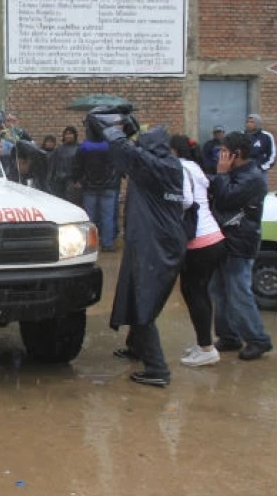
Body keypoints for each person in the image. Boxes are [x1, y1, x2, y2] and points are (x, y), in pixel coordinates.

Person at [99, 113, 186, 387]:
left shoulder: (163, 168)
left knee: (144, 302)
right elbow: (131, 157)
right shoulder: (160, 166)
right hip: (150, 242)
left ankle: (158, 369)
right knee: (135, 293)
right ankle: (137, 347)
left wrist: (113, 131)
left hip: (157, 245)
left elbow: (132, 155)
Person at [208, 132, 273, 360]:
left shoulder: (253, 178)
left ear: (236, 154)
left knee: (238, 292)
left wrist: (221, 175)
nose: (220, 156)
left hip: (240, 243)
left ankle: (258, 339)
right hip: (223, 240)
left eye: (224, 152)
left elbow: (225, 198)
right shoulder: (235, 174)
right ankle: (228, 336)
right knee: (218, 290)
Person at [170, 135, 226, 367]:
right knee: (199, 293)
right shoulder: (194, 166)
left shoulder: (180, 168)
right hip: (212, 237)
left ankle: (207, 349)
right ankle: (204, 341)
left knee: (194, 293)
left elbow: (185, 201)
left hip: (199, 241)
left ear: (173, 151)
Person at [75, 122, 120, 252]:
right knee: (108, 216)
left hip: (89, 186)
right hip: (109, 185)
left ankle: (90, 244)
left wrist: (77, 179)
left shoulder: (84, 146)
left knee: (90, 217)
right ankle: (107, 243)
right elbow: (116, 164)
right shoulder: (111, 145)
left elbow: (78, 165)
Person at [47, 126, 80, 203]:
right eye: (66, 134)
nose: (68, 136)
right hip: (59, 182)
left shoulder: (79, 148)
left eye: (71, 134)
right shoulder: (59, 149)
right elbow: (53, 166)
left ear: (75, 135)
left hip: (72, 182)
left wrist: (79, 181)